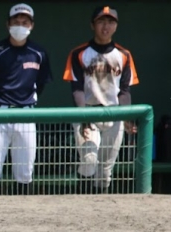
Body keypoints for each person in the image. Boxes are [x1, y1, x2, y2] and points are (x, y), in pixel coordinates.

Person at [0, 3, 52, 195]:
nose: (20, 26)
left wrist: (27, 102)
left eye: (25, 22)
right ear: (8, 24)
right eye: (16, 22)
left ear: (32, 25)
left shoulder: (39, 53)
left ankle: (23, 207)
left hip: (26, 114)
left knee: (25, 169)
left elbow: (41, 84)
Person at [63, 6, 138, 193]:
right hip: (88, 110)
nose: (106, 26)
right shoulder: (79, 53)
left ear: (116, 26)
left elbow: (124, 91)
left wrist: (127, 117)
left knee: (105, 170)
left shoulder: (124, 55)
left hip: (114, 113)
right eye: (101, 22)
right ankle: (83, 201)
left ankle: (99, 208)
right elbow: (77, 89)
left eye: (110, 22)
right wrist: (83, 118)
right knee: (89, 160)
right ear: (92, 25)